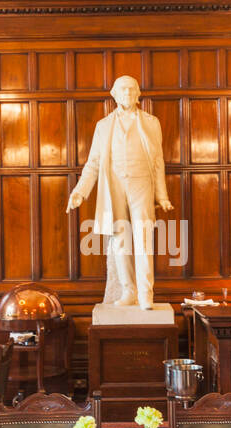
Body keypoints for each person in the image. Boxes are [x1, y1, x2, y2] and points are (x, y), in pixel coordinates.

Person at [67, 76, 173, 309]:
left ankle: (146, 294)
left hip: (141, 184)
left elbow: (157, 162)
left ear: (138, 93)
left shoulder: (151, 122)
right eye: (123, 89)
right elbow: (93, 163)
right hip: (113, 185)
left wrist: (162, 196)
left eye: (131, 89)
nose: (127, 92)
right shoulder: (103, 126)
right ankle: (129, 291)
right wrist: (80, 191)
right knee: (120, 240)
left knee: (144, 238)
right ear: (114, 94)